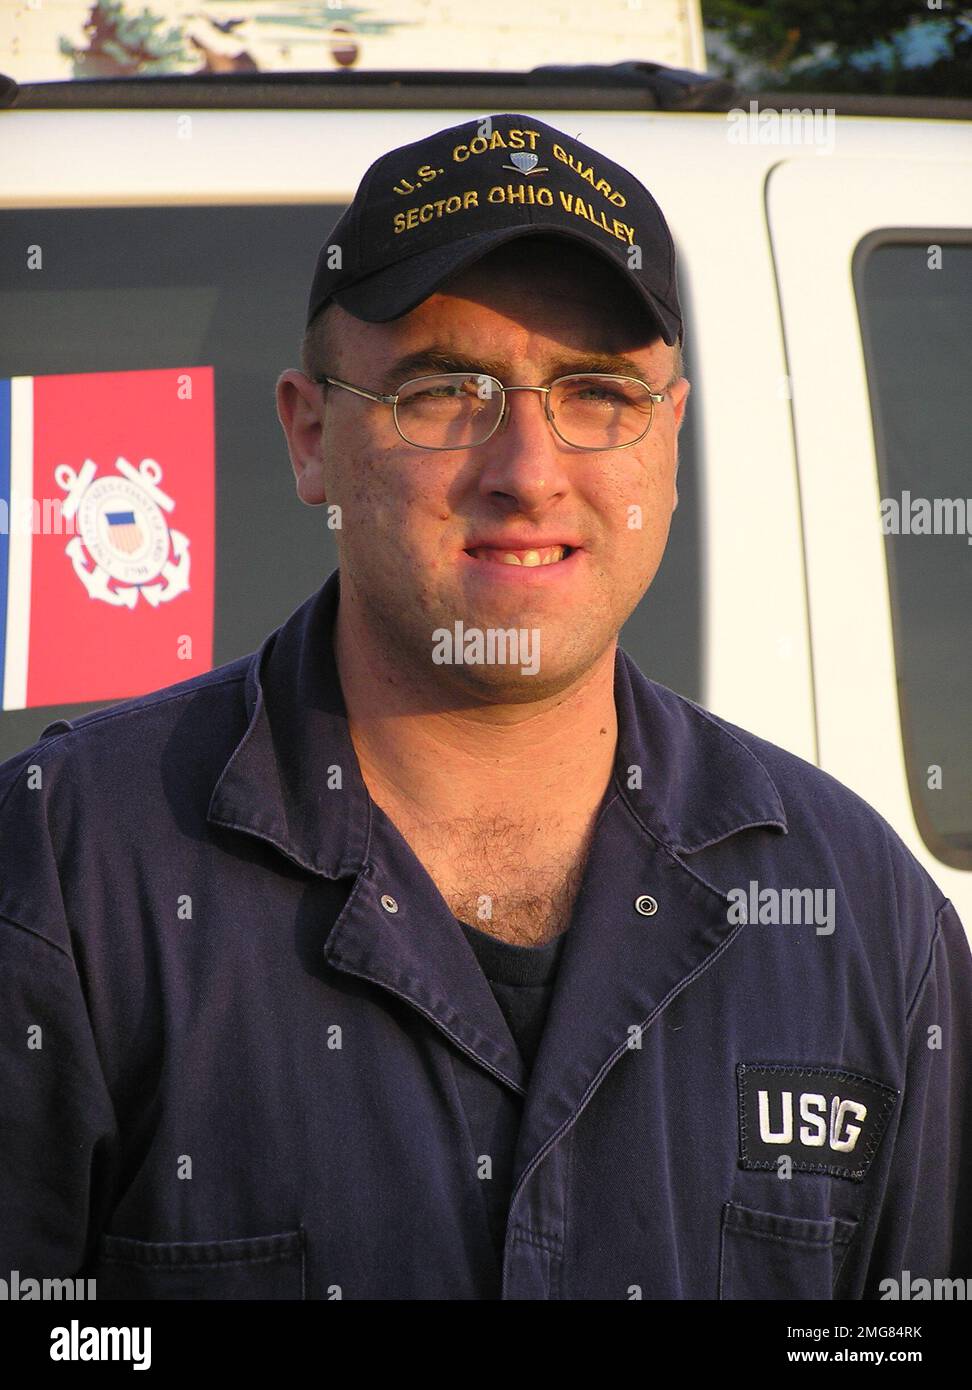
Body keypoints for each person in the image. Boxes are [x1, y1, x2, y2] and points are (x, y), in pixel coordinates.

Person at [0, 113, 969, 1301]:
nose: (528, 470)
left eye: (598, 392)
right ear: (310, 436)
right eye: (447, 392)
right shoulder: (68, 875)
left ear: (669, 440)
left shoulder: (866, 918)